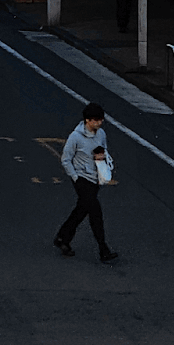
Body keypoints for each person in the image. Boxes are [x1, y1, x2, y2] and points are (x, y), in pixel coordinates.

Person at [54, 101, 118, 263]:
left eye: (100, 119)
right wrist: (75, 177)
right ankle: (103, 249)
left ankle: (62, 237)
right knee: (95, 212)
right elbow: (66, 159)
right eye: (95, 120)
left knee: (81, 211)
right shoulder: (75, 137)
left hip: (95, 179)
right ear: (87, 120)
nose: (99, 123)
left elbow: (104, 149)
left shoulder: (101, 134)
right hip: (82, 180)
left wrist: (101, 158)